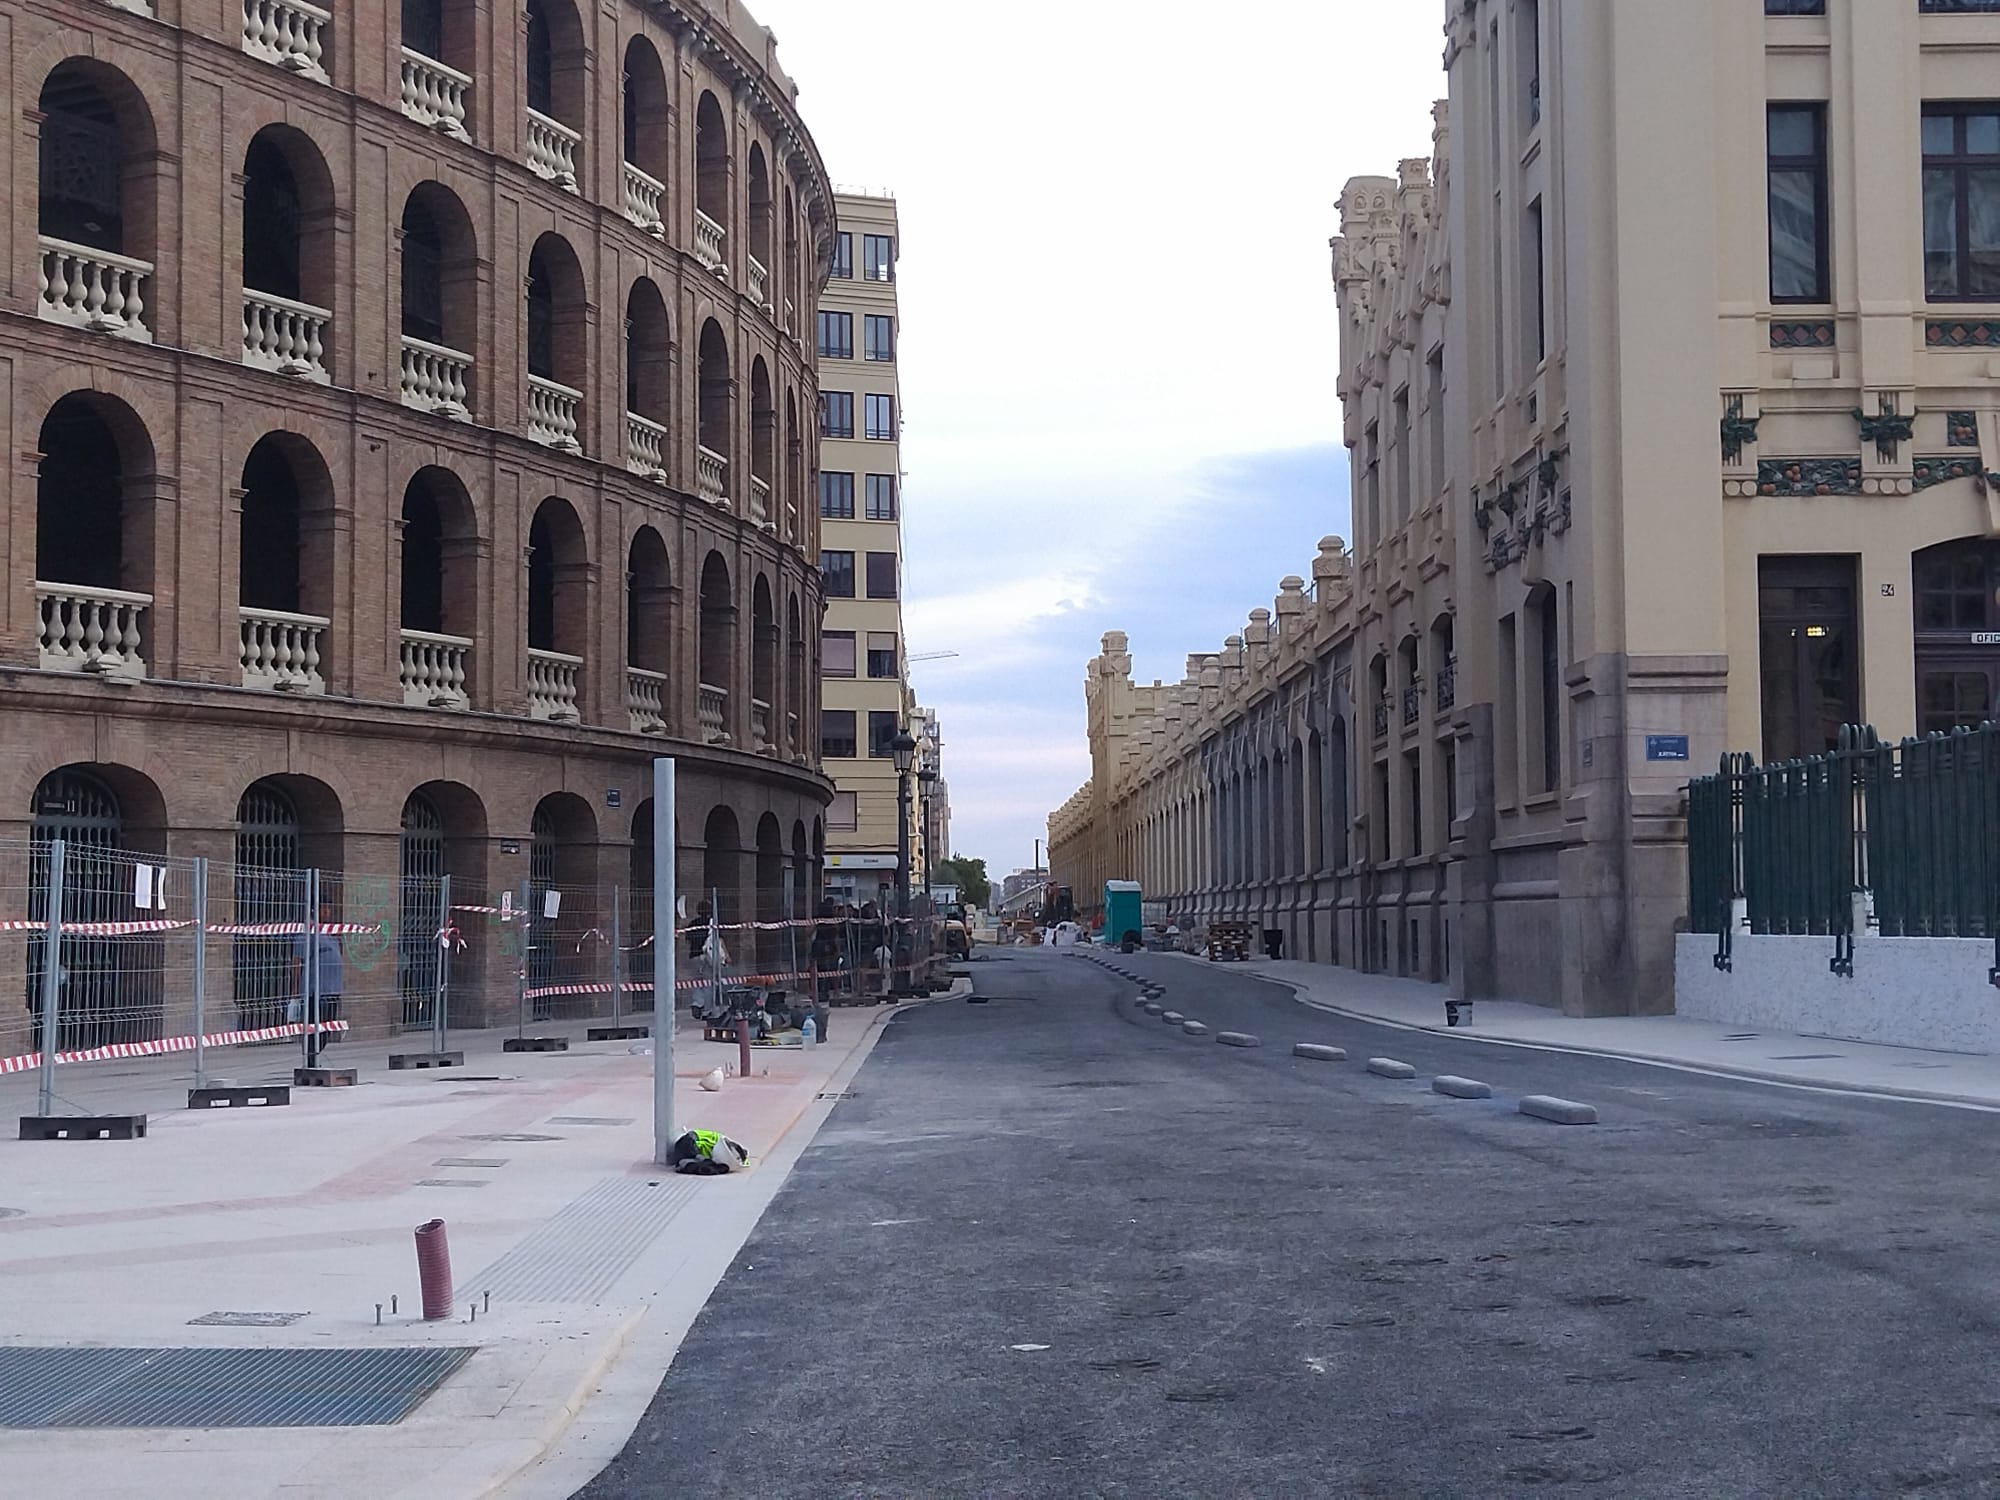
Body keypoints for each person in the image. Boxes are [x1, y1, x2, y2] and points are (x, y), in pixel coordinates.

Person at [290, 899, 345, 1048]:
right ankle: (311, 1056)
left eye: (329, 908)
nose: (328, 912)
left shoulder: (330, 932)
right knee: (315, 1026)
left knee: (327, 1026)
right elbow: (297, 961)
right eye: (324, 909)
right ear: (314, 911)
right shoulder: (308, 932)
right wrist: (295, 989)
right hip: (316, 991)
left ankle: (317, 1054)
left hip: (333, 989)